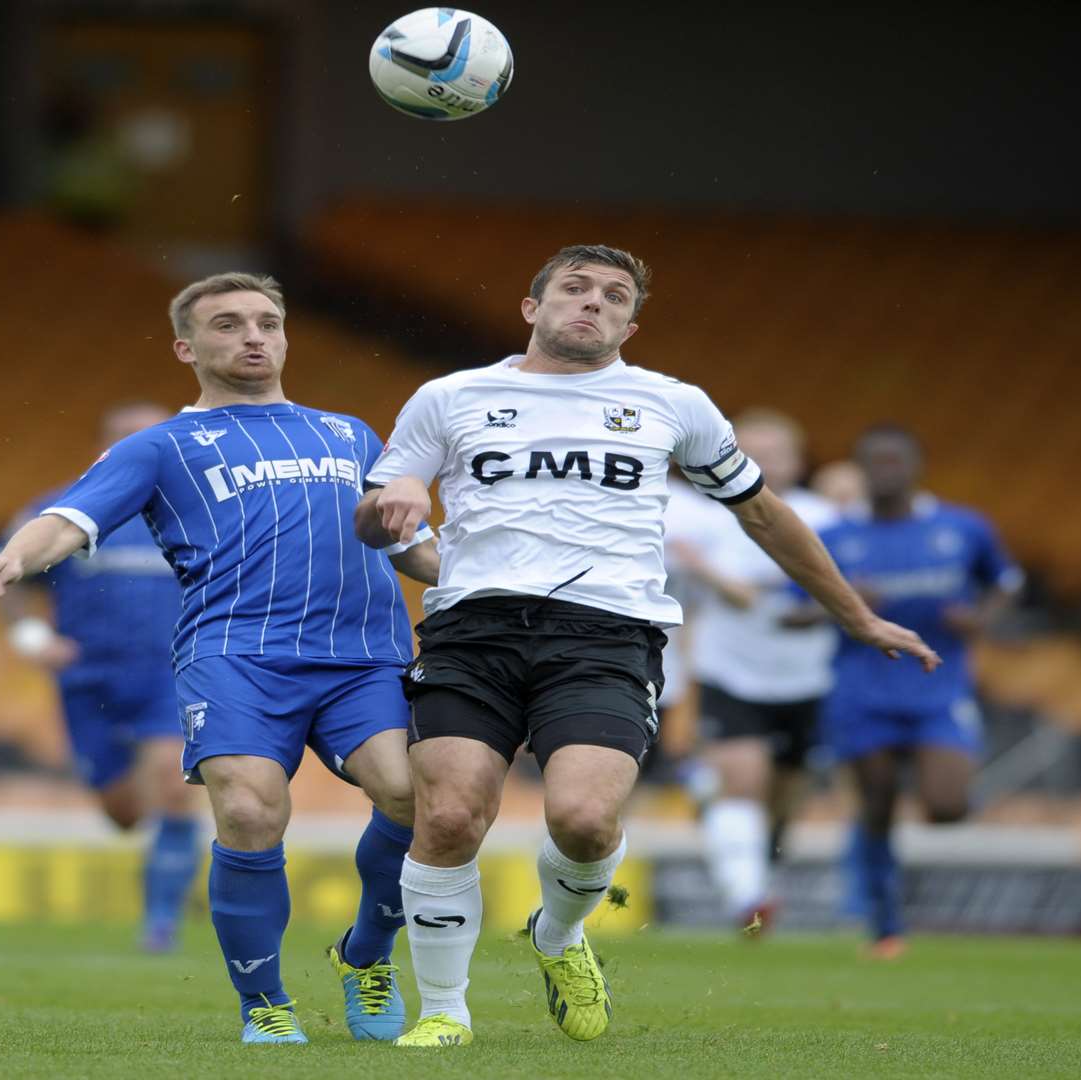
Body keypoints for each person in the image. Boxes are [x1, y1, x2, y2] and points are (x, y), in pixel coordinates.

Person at [357, 245, 938, 1046]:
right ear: (533, 307)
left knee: (586, 820)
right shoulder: (450, 397)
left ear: (632, 322)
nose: (592, 302)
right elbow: (378, 515)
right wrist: (390, 499)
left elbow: (763, 514)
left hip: (608, 633)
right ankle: (446, 1014)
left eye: (614, 296)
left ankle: (557, 936)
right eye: (575, 288)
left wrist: (854, 616)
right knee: (451, 816)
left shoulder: (672, 403)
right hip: (473, 627)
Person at [0, 272, 440, 1046]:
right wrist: (14, 561)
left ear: (284, 336)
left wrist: (484, 578)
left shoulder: (351, 435)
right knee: (250, 811)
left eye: (266, 322)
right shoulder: (160, 446)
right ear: (188, 347)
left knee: (412, 798)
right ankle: (265, 1003)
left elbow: (414, 550)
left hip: (361, 655)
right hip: (236, 656)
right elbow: (64, 520)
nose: (252, 336)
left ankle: (366, 957)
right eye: (227, 324)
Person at [791, 424, 1020, 958]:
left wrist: (980, 618)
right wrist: (843, 603)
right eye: (875, 461)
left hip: (937, 688)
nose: (886, 470)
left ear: (916, 467)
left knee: (947, 806)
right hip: (862, 693)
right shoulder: (836, 536)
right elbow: (789, 610)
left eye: (896, 460)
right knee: (877, 806)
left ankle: (942, 796)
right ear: (860, 469)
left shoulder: (963, 528)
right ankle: (885, 923)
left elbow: (1007, 582)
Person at [0, 400, 203, 953]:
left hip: (172, 671)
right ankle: (170, 871)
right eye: (124, 437)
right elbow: (6, 570)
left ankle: (161, 924)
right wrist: (31, 638)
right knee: (124, 812)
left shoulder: (201, 507)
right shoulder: (64, 509)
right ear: (103, 448)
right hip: (89, 676)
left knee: (172, 788)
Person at [664, 408, 838, 934]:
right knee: (743, 781)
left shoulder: (825, 518)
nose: (762, 462)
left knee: (782, 800)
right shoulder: (701, 515)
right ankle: (749, 900)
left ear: (798, 462)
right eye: (750, 451)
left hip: (807, 677)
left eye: (775, 452)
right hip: (729, 673)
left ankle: (737, 841)